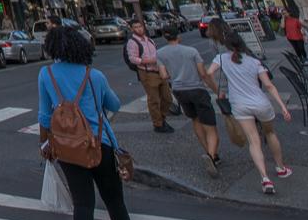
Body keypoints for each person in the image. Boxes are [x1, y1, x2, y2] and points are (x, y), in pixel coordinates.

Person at [38, 24, 154, 220]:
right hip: (99, 144)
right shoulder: (94, 76)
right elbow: (113, 104)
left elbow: (44, 116)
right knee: (115, 202)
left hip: (68, 149)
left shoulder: (46, 75)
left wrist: (44, 144)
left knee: (82, 205)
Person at [208, 31, 292, 194]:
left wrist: (217, 90)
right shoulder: (254, 62)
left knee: (253, 141)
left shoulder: (221, 59)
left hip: (239, 104)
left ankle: (265, 178)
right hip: (260, 103)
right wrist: (282, 106)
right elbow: (268, 86)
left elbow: (209, 73)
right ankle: (280, 168)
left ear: (227, 46)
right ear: (242, 44)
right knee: (270, 133)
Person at [157, 26, 222, 177]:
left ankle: (208, 151)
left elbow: (163, 75)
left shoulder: (159, 53)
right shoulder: (191, 51)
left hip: (179, 91)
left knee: (195, 119)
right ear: (178, 36)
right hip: (197, 89)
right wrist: (216, 90)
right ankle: (212, 156)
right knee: (210, 126)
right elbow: (203, 73)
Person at [124, 17, 175, 133]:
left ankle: (162, 118)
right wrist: (148, 61)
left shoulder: (149, 40)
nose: (139, 29)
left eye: (140, 26)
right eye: (136, 27)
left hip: (158, 70)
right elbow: (132, 58)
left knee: (167, 97)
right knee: (154, 99)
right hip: (147, 72)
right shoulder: (132, 42)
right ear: (132, 29)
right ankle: (158, 123)